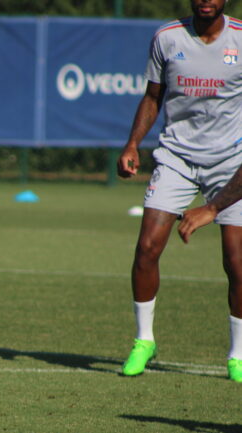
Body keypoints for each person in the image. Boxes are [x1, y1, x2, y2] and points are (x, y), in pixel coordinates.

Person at [117, 0, 242, 382]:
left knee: (237, 264)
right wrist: (132, 144)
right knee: (147, 248)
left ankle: (238, 353)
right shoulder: (167, 38)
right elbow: (153, 97)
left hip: (231, 162)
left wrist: (215, 205)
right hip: (176, 158)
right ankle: (144, 341)